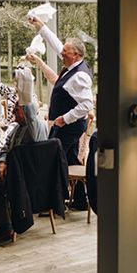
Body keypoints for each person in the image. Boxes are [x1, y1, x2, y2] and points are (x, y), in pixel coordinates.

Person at [26, 17, 94, 167]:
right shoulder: (73, 63)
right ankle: (77, 190)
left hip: (68, 128)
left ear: (75, 55)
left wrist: (65, 119)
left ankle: (57, 189)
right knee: (69, 162)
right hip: (68, 127)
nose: (61, 53)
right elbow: (57, 45)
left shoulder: (80, 76)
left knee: (53, 162)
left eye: (65, 51)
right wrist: (41, 26)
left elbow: (87, 104)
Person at [0, 95, 49, 244]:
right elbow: (6, 146)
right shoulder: (17, 128)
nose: (13, 113)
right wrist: (3, 163)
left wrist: (25, 93)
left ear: (25, 112)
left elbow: (30, 116)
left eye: (16, 110)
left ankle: (5, 228)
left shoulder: (35, 128)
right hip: (16, 174)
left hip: (30, 178)